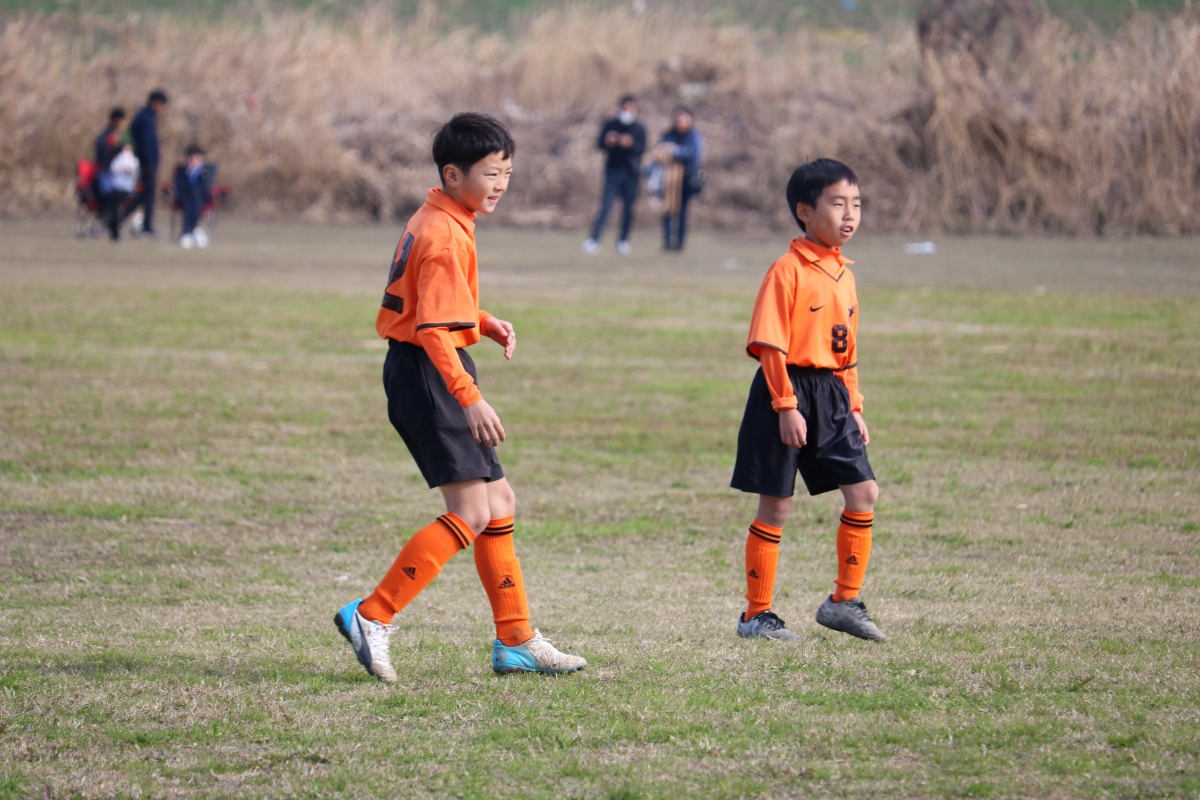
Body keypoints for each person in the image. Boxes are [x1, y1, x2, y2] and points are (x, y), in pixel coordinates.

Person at [334, 112, 587, 682]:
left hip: (429, 365)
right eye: (491, 174)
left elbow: (431, 303)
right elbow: (430, 330)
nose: (501, 185)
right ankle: (372, 614)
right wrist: (469, 396)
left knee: (499, 502)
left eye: (508, 173)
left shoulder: (439, 217)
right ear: (453, 174)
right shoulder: (446, 233)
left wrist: (480, 319)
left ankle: (516, 639)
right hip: (430, 373)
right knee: (472, 512)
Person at [730, 158, 885, 642]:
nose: (849, 214)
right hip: (785, 389)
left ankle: (843, 602)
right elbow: (769, 347)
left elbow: (847, 352)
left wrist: (854, 406)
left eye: (856, 204)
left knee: (863, 492)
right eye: (837, 204)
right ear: (804, 211)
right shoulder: (786, 270)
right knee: (776, 507)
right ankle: (756, 615)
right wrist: (785, 405)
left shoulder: (845, 275)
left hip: (832, 395)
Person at [582, 95, 646, 256]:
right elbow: (599, 144)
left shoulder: (639, 128)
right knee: (605, 207)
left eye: (629, 109)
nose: (626, 112)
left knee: (628, 209)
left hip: (631, 173)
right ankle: (594, 240)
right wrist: (608, 141)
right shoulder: (610, 125)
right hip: (613, 171)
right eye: (624, 108)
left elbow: (642, 148)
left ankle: (623, 240)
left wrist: (630, 144)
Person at [653, 107, 703, 252]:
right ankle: (667, 242)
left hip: (685, 179)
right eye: (677, 119)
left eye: (682, 119)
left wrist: (675, 151)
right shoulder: (668, 135)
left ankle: (679, 244)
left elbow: (694, 154)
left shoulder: (693, 136)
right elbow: (658, 151)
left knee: (682, 212)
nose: (679, 122)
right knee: (667, 211)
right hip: (668, 179)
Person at [126, 89, 169, 237]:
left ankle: (121, 219)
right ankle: (146, 227)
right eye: (162, 106)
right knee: (147, 196)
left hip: (146, 164)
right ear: (155, 103)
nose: (162, 110)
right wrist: (150, 163)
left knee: (145, 196)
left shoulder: (145, 117)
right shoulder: (146, 119)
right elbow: (147, 144)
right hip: (146, 165)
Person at [93, 107, 130, 241]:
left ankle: (112, 225)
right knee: (116, 195)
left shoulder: (116, 135)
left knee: (125, 194)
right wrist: (118, 149)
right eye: (122, 121)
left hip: (118, 177)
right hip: (106, 176)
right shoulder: (106, 136)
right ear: (116, 121)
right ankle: (112, 227)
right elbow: (104, 156)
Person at [172, 144, 215, 249]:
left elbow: (206, 185)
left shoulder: (207, 170)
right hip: (185, 197)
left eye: (195, 158)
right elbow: (178, 185)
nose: (192, 160)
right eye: (190, 158)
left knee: (194, 200)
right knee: (189, 200)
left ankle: (188, 231)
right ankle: (192, 230)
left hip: (201, 197)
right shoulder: (182, 170)